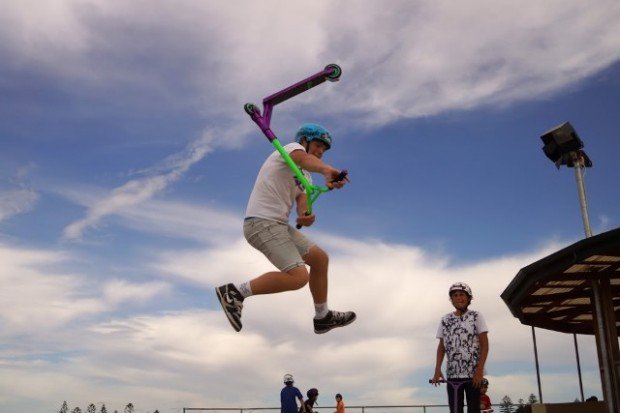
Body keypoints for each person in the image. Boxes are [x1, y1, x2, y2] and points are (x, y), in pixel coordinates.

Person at [216, 123, 356, 334]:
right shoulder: (290, 151)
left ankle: (322, 316)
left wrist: (305, 217)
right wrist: (327, 169)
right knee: (298, 277)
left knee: (320, 259)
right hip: (260, 223)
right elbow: (303, 160)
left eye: (324, 149)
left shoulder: (306, 178)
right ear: (304, 141)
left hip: (279, 225)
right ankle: (235, 293)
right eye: (318, 145)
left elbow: (302, 207)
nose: (320, 151)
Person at [431, 282, 489, 413]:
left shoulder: (476, 316)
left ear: (468, 298)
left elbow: (485, 344)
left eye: (462, 295)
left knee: (473, 409)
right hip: (453, 375)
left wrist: (480, 370)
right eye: (455, 295)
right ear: (451, 299)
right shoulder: (445, 319)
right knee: (455, 409)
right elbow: (442, 346)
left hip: (474, 375)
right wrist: (437, 369)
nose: (459, 298)